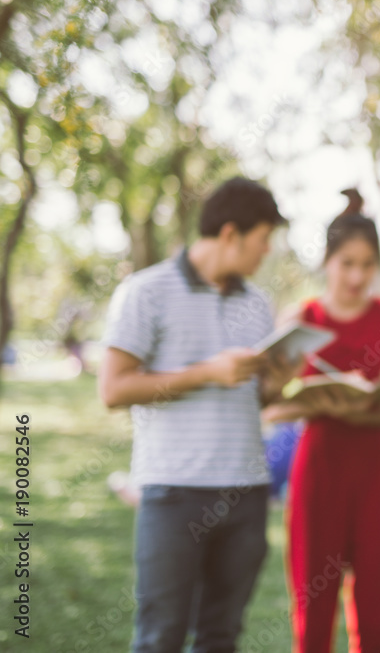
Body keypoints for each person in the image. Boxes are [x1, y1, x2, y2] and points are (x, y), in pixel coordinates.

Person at [98, 177, 293, 653]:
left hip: (246, 493)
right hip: (173, 492)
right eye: (263, 240)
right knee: (160, 635)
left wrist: (279, 378)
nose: (265, 253)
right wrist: (206, 372)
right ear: (231, 234)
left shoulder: (258, 303)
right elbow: (114, 388)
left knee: (221, 636)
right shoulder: (144, 292)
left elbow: (259, 398)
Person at [263, 190, 380, 653]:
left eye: (367, 265)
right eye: (346, 263)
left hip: (378, 469)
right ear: (327, 260)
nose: (356, 276)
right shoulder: (298, 319)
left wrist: (365, 406)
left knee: (373, 601)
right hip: (320, 467)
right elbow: (271, 406)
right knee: (313, 602)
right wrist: (320, 405)